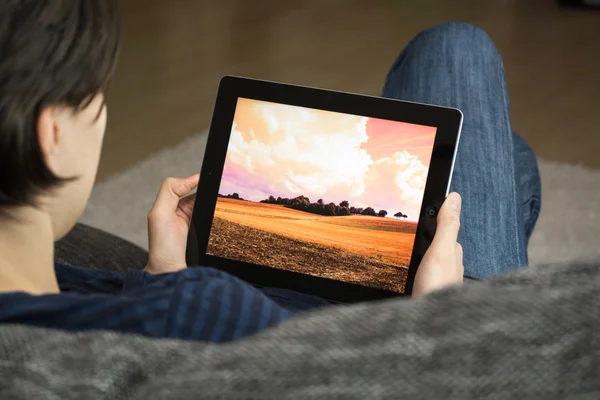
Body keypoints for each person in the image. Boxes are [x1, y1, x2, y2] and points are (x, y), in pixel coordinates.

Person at [0, 1, 540, 342]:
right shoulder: (204, 310)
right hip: (382, 338)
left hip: (247, 305)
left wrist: (166, 270)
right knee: (461, 58)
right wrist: (437, 318)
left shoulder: (38, 297)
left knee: (501, 158)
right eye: (97, 104)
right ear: (51, 135)